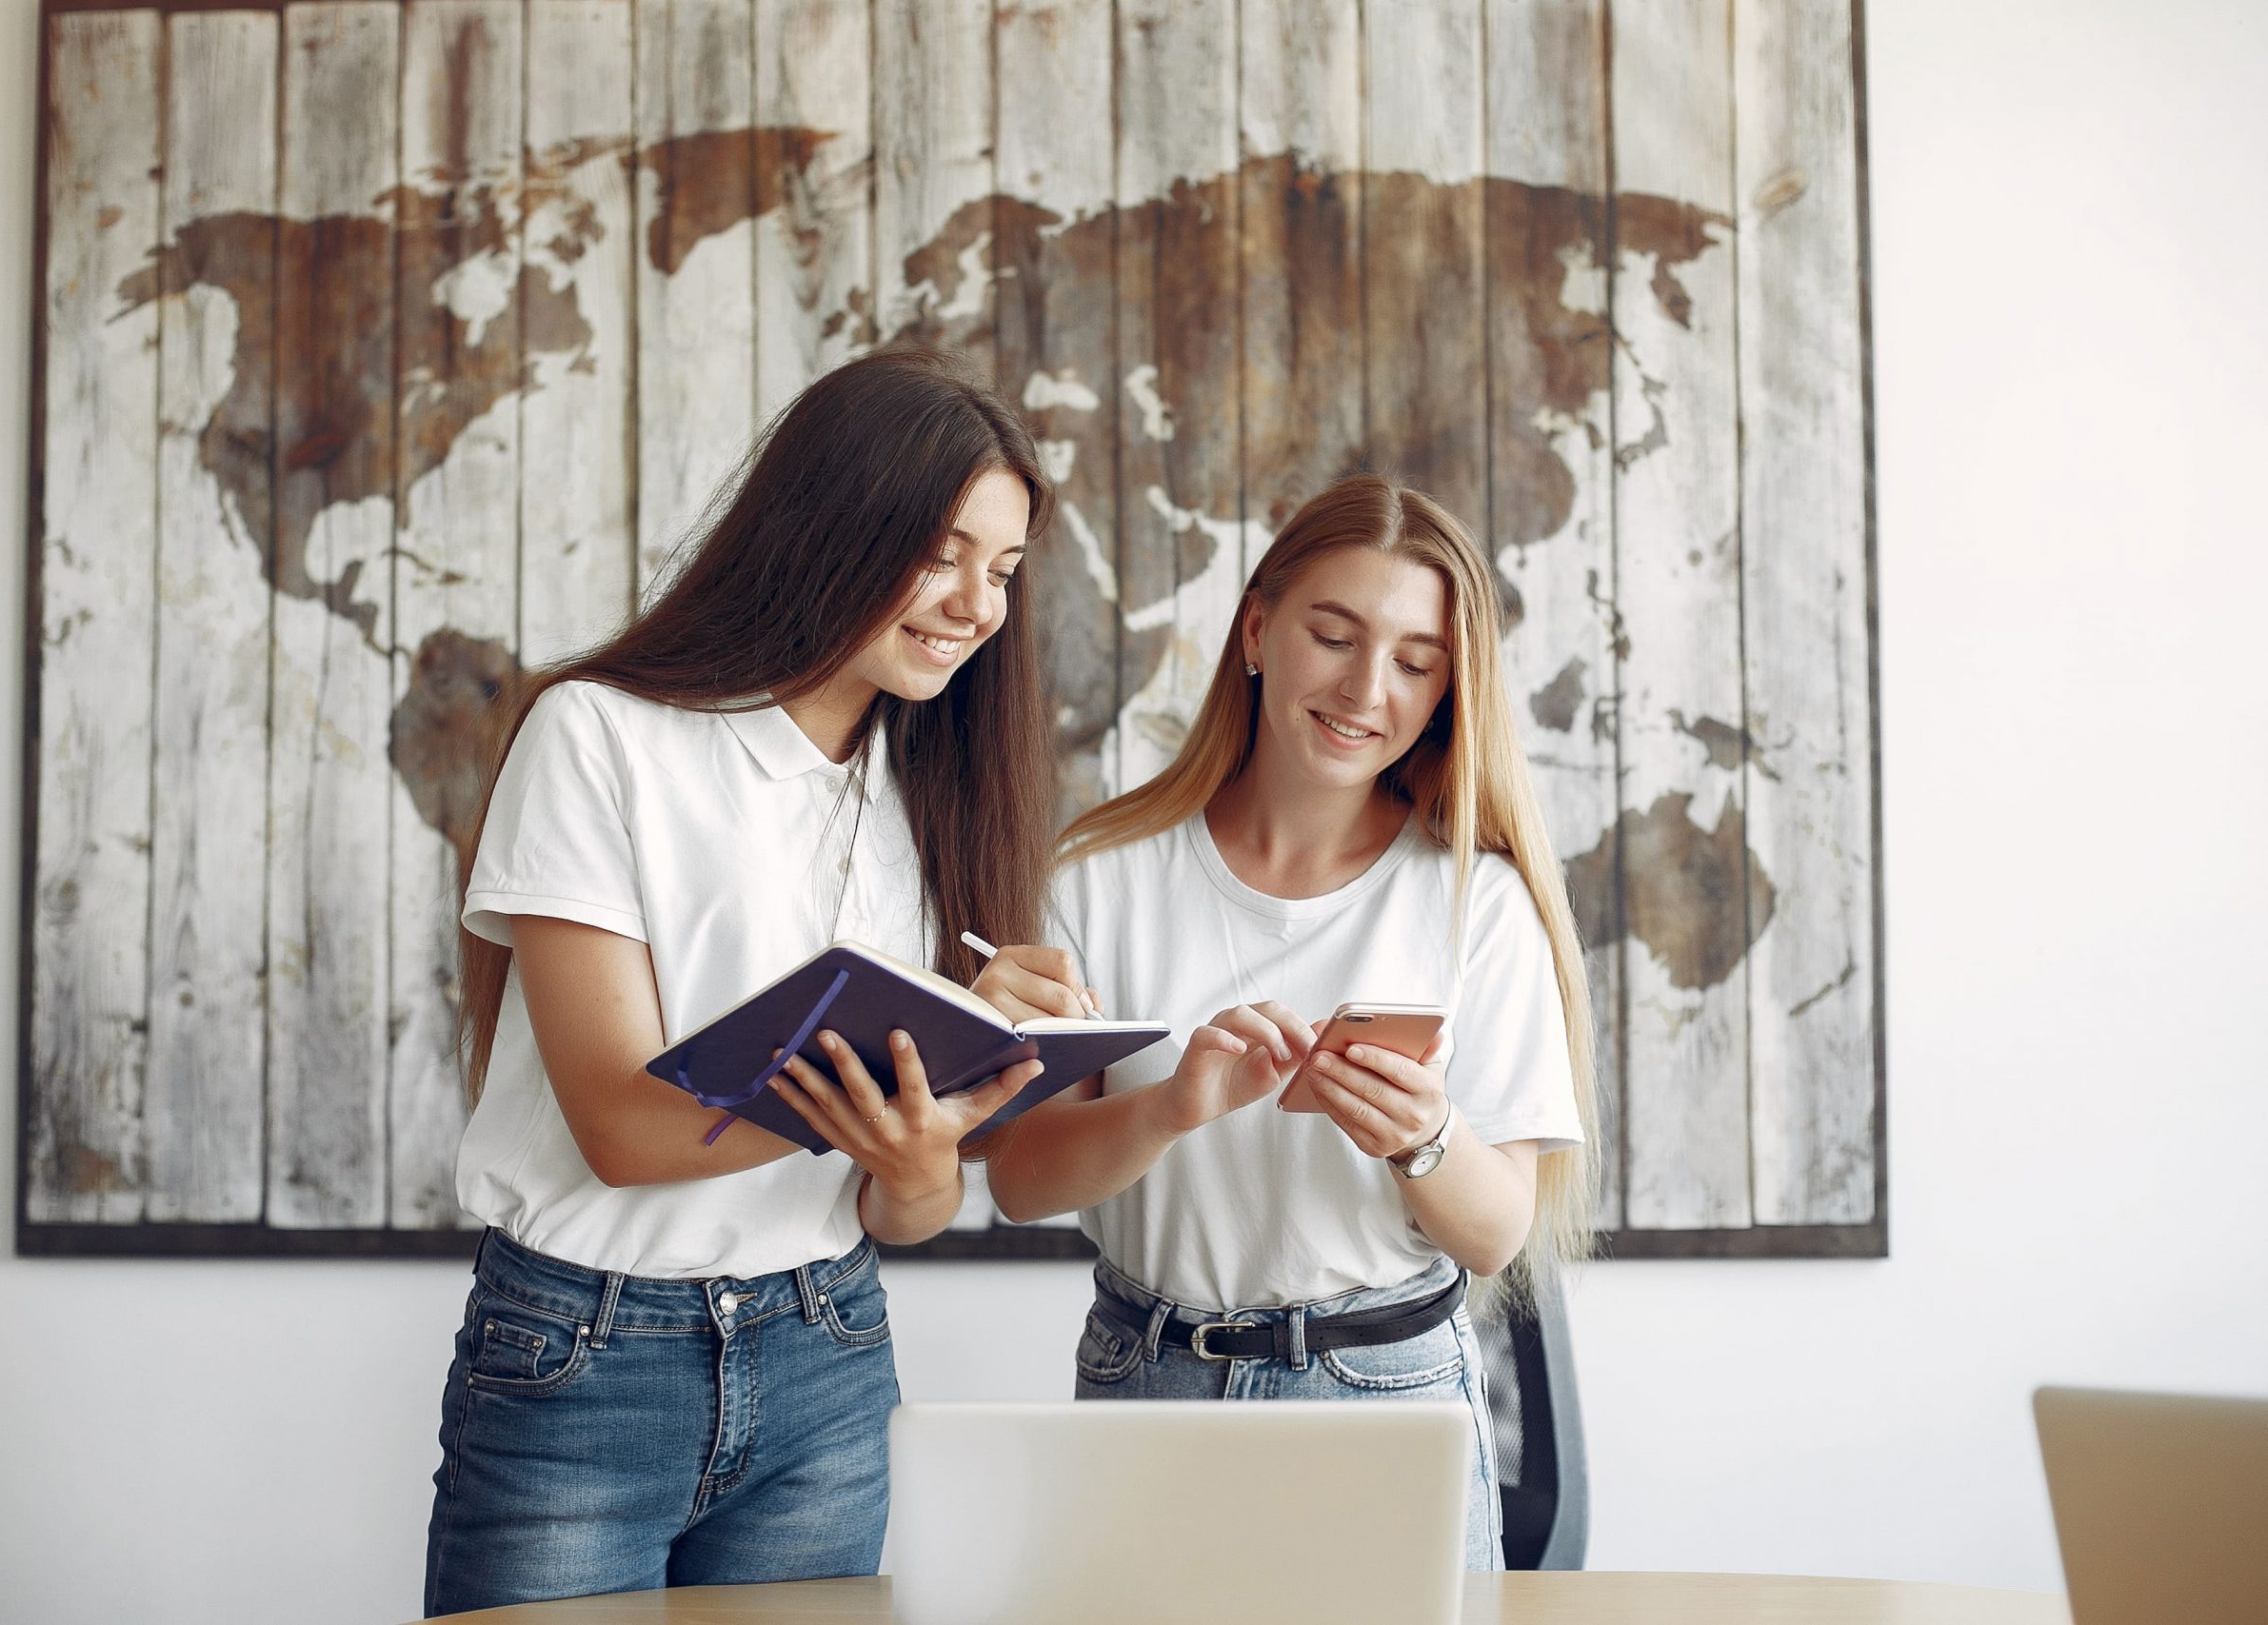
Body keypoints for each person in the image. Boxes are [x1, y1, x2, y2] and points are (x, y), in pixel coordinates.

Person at [425, 346, 1093, 1615]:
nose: (976, 603)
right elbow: (621, 1128)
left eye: (1002, 570)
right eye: (942, 552)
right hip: (582, 1353)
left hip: (828, 1347)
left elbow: (906, 1208)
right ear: (836, 525)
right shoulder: (601, 734)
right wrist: (905, 1049)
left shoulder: (930, 786)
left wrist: (924, 1136)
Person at [985, 473, 1601, 1571]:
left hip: (1388, 1395)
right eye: (1334, 635)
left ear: (1449, 689)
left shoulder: (1475, 901)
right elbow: (1021, 1181)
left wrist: (1424, 1138)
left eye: (1416, 663)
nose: (1368, 688)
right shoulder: (1101, 878)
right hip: (1146, 1381)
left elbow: (1496, 1233)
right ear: (1258, 628)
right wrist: (1171, 1107)